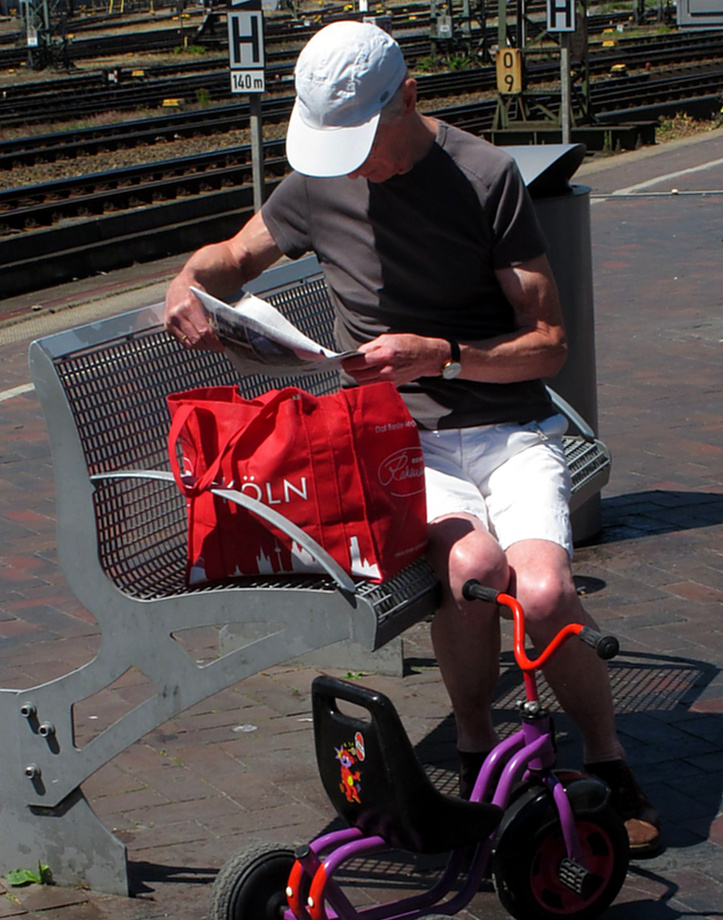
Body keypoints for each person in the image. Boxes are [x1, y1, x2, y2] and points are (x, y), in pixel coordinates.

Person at [164, 20, 661, 857]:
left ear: (408, 97)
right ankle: (473, 752)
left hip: (508, 429)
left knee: (539, 592)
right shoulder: (317, 183)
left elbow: (548, 344)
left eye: (360, 141)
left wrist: (446, 353)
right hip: (401, 442)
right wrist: (185, 282)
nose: (348, 163)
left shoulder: (482, 175)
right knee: (469, 570)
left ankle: (608, 762)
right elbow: (232, 257)